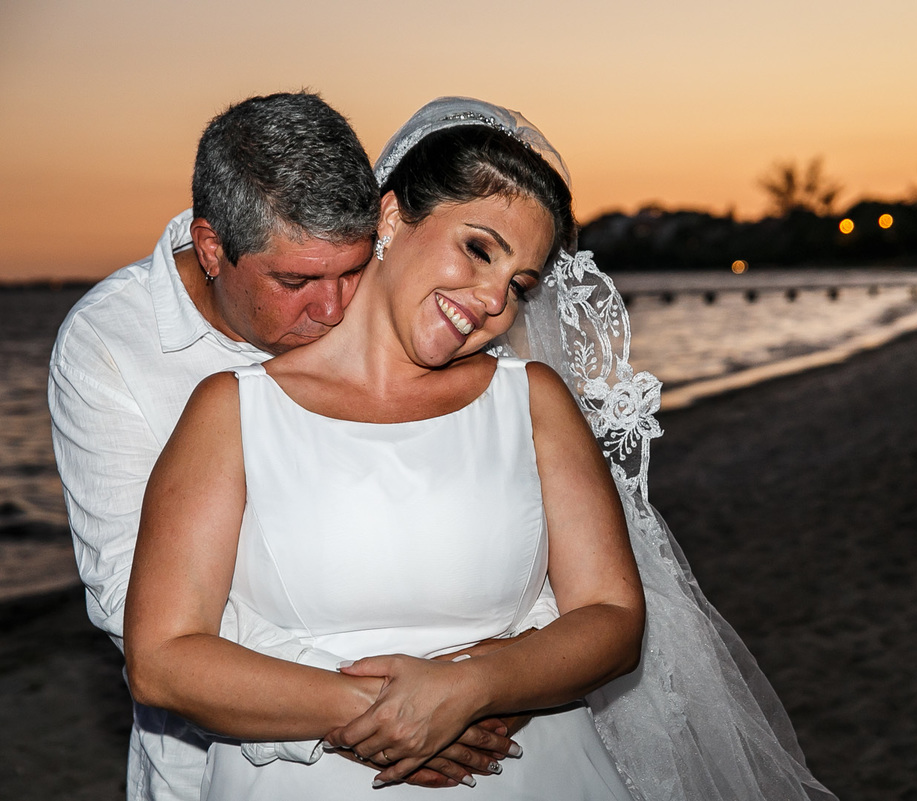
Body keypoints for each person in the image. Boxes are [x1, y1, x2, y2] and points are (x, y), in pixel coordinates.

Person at [126, 97, 837, 800]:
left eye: (518, 284)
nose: (493, 300)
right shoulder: (232, 411)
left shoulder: (532, 401)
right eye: (478, 249)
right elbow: (162, 659)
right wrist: (394, 712)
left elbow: (614, 620)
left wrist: (475, 686)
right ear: (392, 214)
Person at [49, 92, 524, 801]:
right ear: (213, 248)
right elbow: (135, 607)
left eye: (352, 271)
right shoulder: (109, 349)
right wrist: (390, 708)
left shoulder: (392, 299)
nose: (333, 311)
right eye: (297, 281)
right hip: (217, 763)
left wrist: (471, 682)